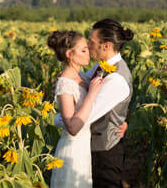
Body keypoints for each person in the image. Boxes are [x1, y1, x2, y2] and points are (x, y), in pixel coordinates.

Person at [55, 19, 134, 188]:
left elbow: (84, 117)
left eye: (91, 42)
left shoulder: (116, 79)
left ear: (106, 45)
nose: (88, 46)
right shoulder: (102, 67)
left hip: (103, 154)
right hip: (89, 149)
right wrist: (66, 80)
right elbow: (82, 80)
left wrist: (57, 118)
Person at [48, 30, 105, 188]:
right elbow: (72, 127)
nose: (89, 53)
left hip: (83, 148)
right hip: (72, 150)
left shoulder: (83, 77)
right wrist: (92, 94)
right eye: (83, 50)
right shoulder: (65, 84)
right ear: (69, 54)